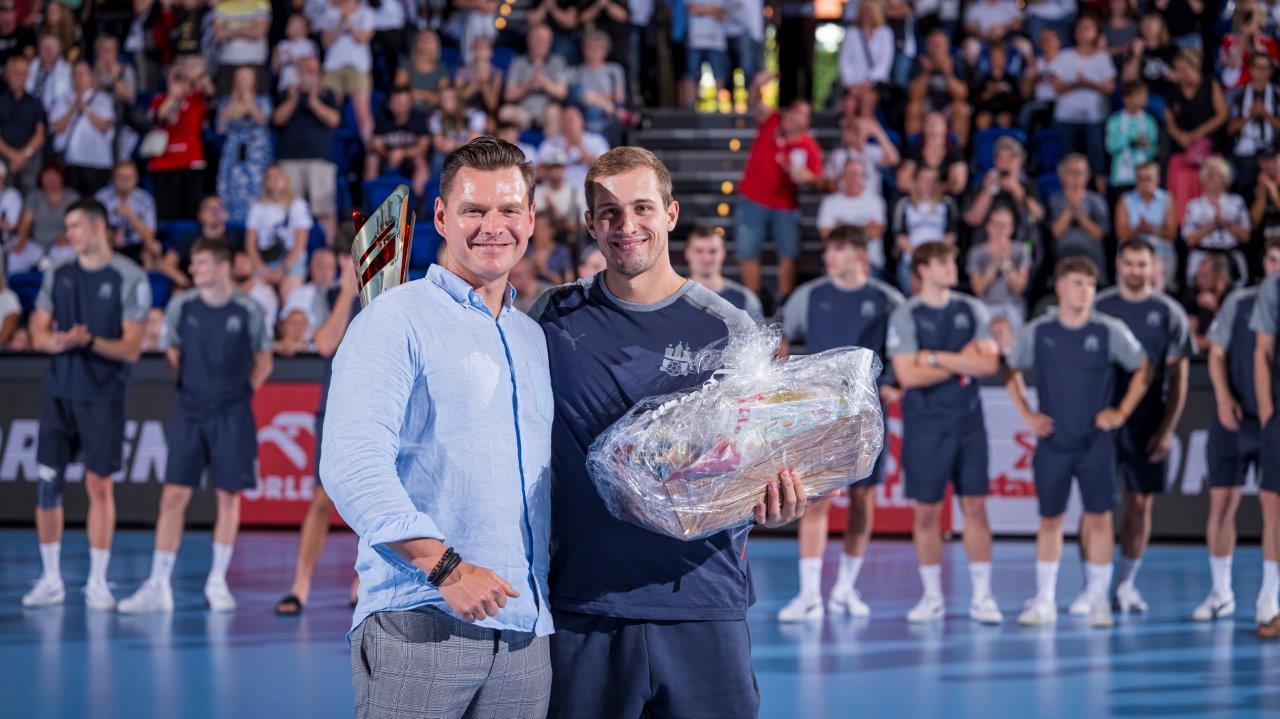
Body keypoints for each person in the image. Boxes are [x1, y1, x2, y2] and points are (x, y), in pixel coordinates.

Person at [532, 146, 805, 717]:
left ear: (671, 214)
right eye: (608, 213)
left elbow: (757, 455)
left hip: (702, 601)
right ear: (589, 224)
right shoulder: (551, 318)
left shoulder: (729, 328)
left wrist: (777, 500)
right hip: (585, 604)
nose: (626, 226)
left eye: (642, 208)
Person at [323, 137, 554, 717]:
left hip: (525, 631)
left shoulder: (531, 337)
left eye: (508, 210)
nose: (492, 226)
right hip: (421, 621)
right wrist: (444, 567)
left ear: (530, 219)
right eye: (474, 210)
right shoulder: (394, 319)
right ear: (442, 217)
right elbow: (351, 464)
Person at [116, 239, 273, 614]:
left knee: (228, 497)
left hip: (232, 414)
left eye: (200, 262)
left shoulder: (249, 309)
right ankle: (158, 584)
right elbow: (172, 354)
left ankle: (217, 581)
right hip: (189, 410)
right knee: (172, 497)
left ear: (222, 267)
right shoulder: (180, 305)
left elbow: (263, 361)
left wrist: (237, 394)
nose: (192, 269)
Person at [1005, 257, 1151, 628]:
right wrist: (1026, 413)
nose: (1083, 290)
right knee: (1049, 520)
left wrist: (1121, 411)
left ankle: (1100, 600)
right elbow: (1011, 368)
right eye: (1076, 282)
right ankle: (1044, 601)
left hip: (1095, 443)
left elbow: (1142, 366)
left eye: (1089, 283)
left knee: (1099, 519)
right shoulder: (1039, 332)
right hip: (1054, 441)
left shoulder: (1109, 330)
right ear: (1060, 287)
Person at [20, 198, 150, 610]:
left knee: (99, 486)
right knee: (47, 484)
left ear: (97, 228)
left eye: (75, 226)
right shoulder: (58, 271)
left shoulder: (129, 276)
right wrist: (54, 341)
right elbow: (37, 328)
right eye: (68, 227)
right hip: (58, 393)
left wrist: (89, 340)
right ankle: (52, 579)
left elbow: (132, 348)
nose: (69, 233)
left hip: (103, 397)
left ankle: (97, 581)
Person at [776, 225, 902, 621]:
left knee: (863, 501)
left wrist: (894, 384)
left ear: (861, 256)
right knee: (814, 499)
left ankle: (846, 589)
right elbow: (781, 341)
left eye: (841, 250)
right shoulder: (808, 295)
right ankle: (810, 594)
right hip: (818, 415)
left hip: (865, 415)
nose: (831, 256)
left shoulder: (888, 300)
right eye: (830, 249)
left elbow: (902, 351)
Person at [887, 240, 1003, 624]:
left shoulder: (972, 308)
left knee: (976, 507)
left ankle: (983, 598)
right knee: (926, 512)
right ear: (922, 270)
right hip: (925, 425)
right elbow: (907, 375)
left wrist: (935, 357)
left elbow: (989, 365)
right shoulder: (906, 314)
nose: (952, 267)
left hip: (969, 422)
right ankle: (932, 598)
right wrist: (962, 362)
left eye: (952, 260)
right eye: (943, 262)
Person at [1092, 239, 1192, 615]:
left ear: (1154, 268)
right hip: (1102, 420)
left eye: (1142, 264)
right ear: (1119, 264)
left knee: (1139, 504)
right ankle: (1094, 588)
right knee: (1096, 508)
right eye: (1129, 263)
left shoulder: (1169, 313)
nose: (1136, 270)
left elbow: (1179, 379)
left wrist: (1167, 429)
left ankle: (1125, 585)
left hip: (1148, 422)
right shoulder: (1101, 305)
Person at [275, 252, 362, 616]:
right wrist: (347, 290)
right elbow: (326, 344)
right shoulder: (328, 297)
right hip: (336, 409)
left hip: (381, 408)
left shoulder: (393, 292)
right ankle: (301, 585)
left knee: (375, 502)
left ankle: (364, 582)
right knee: (321, 500)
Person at [1201, 239, 1280, 623]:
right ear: (1262, 261)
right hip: (1236, 417)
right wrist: (1222, 398)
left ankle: (1270, 596)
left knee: (1273, 511)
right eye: (1272, 258)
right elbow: (1216, 353)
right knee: (1221, 504)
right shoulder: (1240, 301)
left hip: (1271, 421)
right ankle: (1220, 592)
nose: (1277, 265)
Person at [736, 74, 822, 297]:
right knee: (747, 252)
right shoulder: (772, 121)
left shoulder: (808, 146)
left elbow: (820, 181)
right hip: (752, 199)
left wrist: (808, 177)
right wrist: (757, 83)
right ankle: (752, 301)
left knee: (789, 254)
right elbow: (755, 102)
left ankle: (783, 301)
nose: (796, 116)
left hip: (786, 206)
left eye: (803, 114)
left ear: (808, 123)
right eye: (795, 110)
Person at [1253, 245, 1280, 637]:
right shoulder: (1274, 288)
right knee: (1274, 509)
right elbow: (1262, 352)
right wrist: (1266, 412)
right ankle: (1272, 600)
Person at [245, 163, 313, 301]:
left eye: (279, 176)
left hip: (291, 259)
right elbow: (250, 244)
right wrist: (262, 269)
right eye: (270, 176)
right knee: (258, 295)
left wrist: (283, 269)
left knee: (290, 296)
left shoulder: (298, 205)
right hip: (265, 258)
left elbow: (300, 244)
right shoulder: (257, 207)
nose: (275, 180)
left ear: (287, 180)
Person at [216, 66, 274, 223]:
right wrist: (235, 101)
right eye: (239, 77)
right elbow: (221, 126)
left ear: (253, 80)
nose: (242, 81)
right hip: (233, 152)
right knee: (230, 188)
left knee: (257, 187)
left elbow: (263, 120)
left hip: (256, 153)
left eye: (246, 77)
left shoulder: (263, 100)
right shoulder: (227, 101)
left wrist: (249, 102)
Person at [1182, 156, 1252, 285]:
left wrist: (1226, 223)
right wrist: (1211, 225)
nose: (1214, 180)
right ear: (1203, 179)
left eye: (1219, 176)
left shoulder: (1236, 202)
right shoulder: (1194, 205)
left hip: (1230, 256)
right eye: (1210, 176)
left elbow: (1246, 236)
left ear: (1226, 179)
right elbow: (1189, 240)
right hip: (1202, 256)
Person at [50, 60, 115, 196]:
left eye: (82, 74)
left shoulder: (102, 99)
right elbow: (56, 127)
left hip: (97, 161)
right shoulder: (64, 99)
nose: (78, 78)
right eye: (75, 74)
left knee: (95, 203)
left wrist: (85, 107)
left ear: (90, 76)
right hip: (71, 161)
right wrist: (74, 107)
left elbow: (104, 126)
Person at [817, 159, 887, 277]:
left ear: (863, 176)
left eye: (857, 173)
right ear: (843, 175)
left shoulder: (875, 201)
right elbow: (826, 234)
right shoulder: (829, 202)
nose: (853, 177)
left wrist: (840, 228)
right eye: (850, 173)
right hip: (838, 264)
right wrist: (863, 228)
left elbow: (877, 231)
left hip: (869, 263)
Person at [1116, 161, 1179, 290]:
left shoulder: (1167, 199)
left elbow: (1172, 234)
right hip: (1132, 243)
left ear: (1157, 179)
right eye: (1140, 179)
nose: (1144, 183)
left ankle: (1162, 289)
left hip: (1159, 245)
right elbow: (1120, 233)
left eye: (1148, 179)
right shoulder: (1125, 200)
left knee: (1163, 252)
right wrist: (1138, 228)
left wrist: (1152, 228)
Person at [684, 225, 764, 323]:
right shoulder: (674, 297)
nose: (706, 258)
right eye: (699, 251)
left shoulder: (745, 298)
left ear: (723, 253)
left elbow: (759, 337)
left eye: (713, 251)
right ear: (687, 253)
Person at [1049, 153, 1110, 277]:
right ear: (1062, 175)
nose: (1076, 177)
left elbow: (1099, 234)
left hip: (1091, 255)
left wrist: (1079, 214)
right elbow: (1055, 232)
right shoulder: (1054, 200)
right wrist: (1070, 208)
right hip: (1062, 255)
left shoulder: (1097, 200)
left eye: (1080, 172)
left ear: (1087, 175)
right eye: (1071, 172)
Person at [364, 85, 431, 198]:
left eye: (404, 102)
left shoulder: (419, 119)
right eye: (397, 102)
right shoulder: (383, 119)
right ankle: (370, 200)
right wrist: (388, 153)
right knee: (371, 159)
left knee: (421, 162)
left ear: (411, 103)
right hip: (387, 158)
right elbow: (375, 143)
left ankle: (419, 203)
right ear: (390, 103)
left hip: (410, 160)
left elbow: (423, 146)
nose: (400, 106)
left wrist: (403, 153)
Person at [11, 163, 76, 273]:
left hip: (62, 244)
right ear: (41, 179)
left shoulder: (72, 197)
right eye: (47, 178)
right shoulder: (34, 196)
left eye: (54, 177)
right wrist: (22, 239)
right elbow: (26, 222)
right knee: (14, 256)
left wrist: (67, 236)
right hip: (36, 244)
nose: (51, 181)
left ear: (62, 178)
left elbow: (77, 224)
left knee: (69, 255)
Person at [93, 160, 157, 266]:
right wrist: (111, 236)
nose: (126, 181)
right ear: (113, 178)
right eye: (121, 177)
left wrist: (131, 215)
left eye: (130, 177)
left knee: (152, 247)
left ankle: (143, 280)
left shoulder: (145, 199)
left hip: (136, 246)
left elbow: (150, 235)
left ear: (136, 178)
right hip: (107, 244)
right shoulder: (101, 198)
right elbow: (92, 229)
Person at [0, 55, 46, 195]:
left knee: (29, 193)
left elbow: (40, 135)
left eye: (23, 73)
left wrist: (23, 156)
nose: (19, 77)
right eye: (15, 72)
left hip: (29, 158)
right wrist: (13, 156)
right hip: (3, 156)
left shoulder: (35, 103)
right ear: (7, 74)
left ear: (27, 76)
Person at [1105, 81, 1160, 195]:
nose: (1143, 99)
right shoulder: (1114, 121)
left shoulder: (1150, 121)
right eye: (1138, 95)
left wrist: (1146, 145)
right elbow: (1110, 147)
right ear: (1126, 99)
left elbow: (1154, 150)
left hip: (1144, 176)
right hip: (1121, 176)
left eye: (1144, 95)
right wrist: (1130, 141)